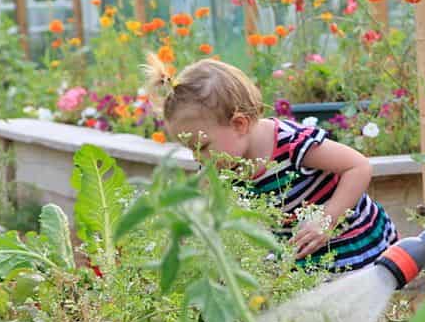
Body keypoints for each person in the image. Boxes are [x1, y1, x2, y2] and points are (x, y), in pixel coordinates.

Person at [144, 55, 398, 271]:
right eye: (190, 148)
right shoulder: (220, 163)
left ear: (239, 124)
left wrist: (326, 220)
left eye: (202, 146)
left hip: (352, 239)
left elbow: (359, 166)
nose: (198, 157)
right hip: (303, 255)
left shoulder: (291, 143)